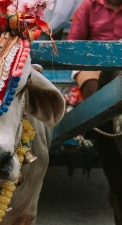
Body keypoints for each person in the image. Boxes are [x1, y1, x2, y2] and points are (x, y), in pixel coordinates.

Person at [67, 0, 122, 224]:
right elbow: (73, 46)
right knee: (96, 96)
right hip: (92, 66)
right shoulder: (88, 7)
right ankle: (102, 128)